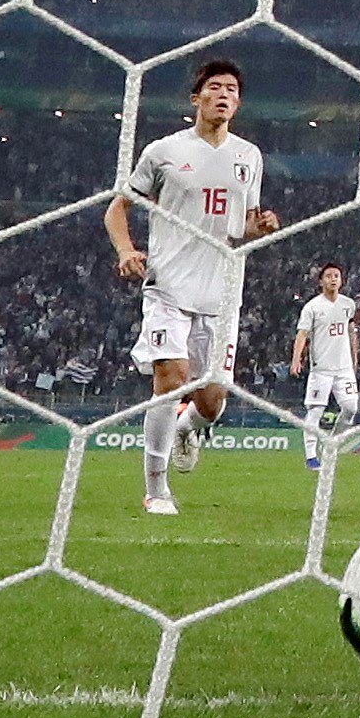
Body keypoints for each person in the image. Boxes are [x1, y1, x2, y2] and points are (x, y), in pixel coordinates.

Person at [105, 59, 280, 516]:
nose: (224, 95)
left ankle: (188, 428)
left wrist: (259, 229)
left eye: (232, 90)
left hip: (222, 295)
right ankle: (156, 489)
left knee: (212, 400)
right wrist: (126, 251)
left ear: (238, 103)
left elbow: (241, 226)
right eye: (216, 87)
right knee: (170, 379)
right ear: (196, 98)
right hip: (168, 287)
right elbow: (116, 209)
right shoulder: (163, 151)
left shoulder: (249, 156)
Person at [292, 262, 360, 472]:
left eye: (337, 276)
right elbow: (302, 334)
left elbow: (351, 332)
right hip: (321, 369)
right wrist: (296, 359)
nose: (333, 279)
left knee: (350, 408)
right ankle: (311, 456)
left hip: (344, 369)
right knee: (315, 411)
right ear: (321, 281)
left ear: (342, 280)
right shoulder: (312, 307)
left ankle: (331, 444)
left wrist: (355, 357)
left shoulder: (348, 304)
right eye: (329, 276)